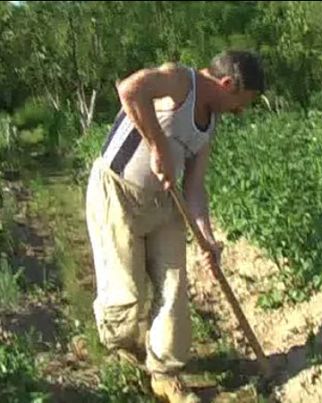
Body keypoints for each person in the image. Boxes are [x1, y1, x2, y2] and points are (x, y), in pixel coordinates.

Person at [85, 50, 265, 402]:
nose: (240, 111)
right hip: (116, 193)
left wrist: (208, 240)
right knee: (125, 300)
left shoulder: (210, 123)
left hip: (165, 205)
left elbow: (194, 188)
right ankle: (123, 342)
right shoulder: (180, 81)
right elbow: (130, 90)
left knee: (174, 292)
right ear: (227, 84)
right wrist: (158, 147)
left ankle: (165, 373)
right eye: (241, 102)